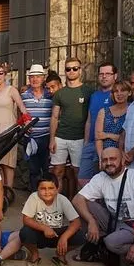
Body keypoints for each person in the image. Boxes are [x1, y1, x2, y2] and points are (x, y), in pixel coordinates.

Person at [72, 147, 134, 266]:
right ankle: (99, 243)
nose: (109, 163)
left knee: (111, 243)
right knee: (84, 205)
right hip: (117, 222)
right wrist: (91, 221)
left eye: (113, 159)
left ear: (123, 160)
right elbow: (77, 199)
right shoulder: (101, 177)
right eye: (105, 160)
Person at [19, 173, 84, 266]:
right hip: (39, 233)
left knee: (80, 235)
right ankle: (35, 253)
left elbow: (76, 222)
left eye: (51, 188)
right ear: (37, 190)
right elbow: (26, 219)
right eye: (43, 188)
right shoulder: (34, 197)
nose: (47, 192)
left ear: (57, 189)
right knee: (25, 232)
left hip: (57, 234)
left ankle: (60, 254)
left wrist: (64, 238)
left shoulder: (62, 199)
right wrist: (44, 228)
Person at [49, 58, 93, 198]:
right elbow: (54, 117)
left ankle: (79, 206)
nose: (72, 71)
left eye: (75, 68)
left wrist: (87, 140)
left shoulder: (88, 91)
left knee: (79, 173)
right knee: (58, 172)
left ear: (80, 70)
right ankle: (56, 204)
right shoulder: (60, 93)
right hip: (60, 137)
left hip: (80, 138)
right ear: (65, 71)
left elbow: (91, 117)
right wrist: (52, 139)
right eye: (68, 69)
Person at [0, 63, 28, 190]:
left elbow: (21, 106)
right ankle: (0, 190)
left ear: (5, 74)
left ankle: (9, 190)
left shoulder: (11, 90)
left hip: (8, 128)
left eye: (0, 73)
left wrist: (26, 120)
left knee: (8, 163)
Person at [80, 63, 117, 186]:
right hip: (90, 143)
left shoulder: (117, 95)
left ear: (115, 76)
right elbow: (89, 120)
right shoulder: (94, 95)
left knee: (104, 180)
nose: (104, 77)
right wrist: (86, 142)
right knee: (83, 179)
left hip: (106, 144)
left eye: (108, 74)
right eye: (101, 74)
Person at [20, 64, 53, 190]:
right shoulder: (23, 96)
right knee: (33, 170)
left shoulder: (51, 95)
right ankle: (34, 196)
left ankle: (46, 196)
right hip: (30, 138)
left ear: (43, 78)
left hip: (46, 137)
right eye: (32, 77)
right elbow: (19, 115)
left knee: (46, 169)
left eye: (38, 77)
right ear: (29, 79)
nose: (35, 79)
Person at [93, 81, 130, 155]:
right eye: (116, 91)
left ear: (129, 93)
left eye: (123, 90)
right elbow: (98, 137)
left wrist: (107, 135)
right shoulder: (103, 111)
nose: (119, 94)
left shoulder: (133, 110)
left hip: (125, 154)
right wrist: (101, 158)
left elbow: (129, 139)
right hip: (105, 155)